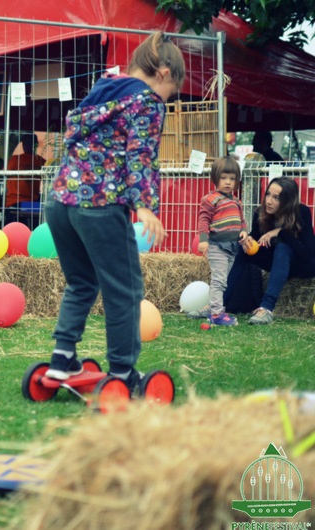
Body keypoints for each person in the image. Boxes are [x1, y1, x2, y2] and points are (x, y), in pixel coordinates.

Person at [44, 31, 185, 391]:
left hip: (59, 200)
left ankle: (62, 360)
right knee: (125, 290)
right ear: (164, 73)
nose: (167, 99)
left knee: (81, 282)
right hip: (99, 204)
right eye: (172, 92)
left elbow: (74, 138)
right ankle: (123, 372)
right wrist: (145, 205)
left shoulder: (101, 90)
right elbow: (140, 154)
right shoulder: (148, 102)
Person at [222, 177, 315, 325]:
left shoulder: (301, 212)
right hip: (277, 264)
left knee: (283, 247)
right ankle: (218, 304)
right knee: (245, 250)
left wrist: (280, 232)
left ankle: (266, 308)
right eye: (268, 194)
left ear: (288, 201)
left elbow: (307, 254)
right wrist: (247, 239)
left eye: (276, 198)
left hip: (302, 265)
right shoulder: (261, 213)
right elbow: (256, 239)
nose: (269, 201)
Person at [191, 156, 247, 326]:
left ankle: (214, 308)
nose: (228, 182)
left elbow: (242, 221)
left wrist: (244, 231)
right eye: (223, 178)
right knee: (219, 281)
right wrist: (203, 240)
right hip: (217, 247)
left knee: (222, 280)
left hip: (232, 248)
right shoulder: (210, 199)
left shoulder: (236, 202)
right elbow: (203, 219)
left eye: (232, 178)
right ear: (215, 179)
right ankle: (216, 314)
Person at [4, 133, 45, 228]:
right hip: (31, 203)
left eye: (28, 143)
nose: (26, 145)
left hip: (15, 201)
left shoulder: (16, 159)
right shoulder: (41, 161)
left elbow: (3, 173)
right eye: (26, 143)